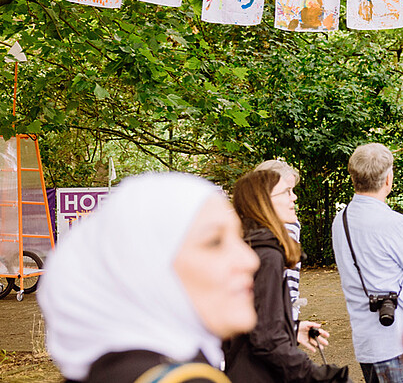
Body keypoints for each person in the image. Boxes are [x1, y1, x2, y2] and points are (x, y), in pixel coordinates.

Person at [38, 172, 259, 383]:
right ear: (145, 270)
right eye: (214, 242)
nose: (251, 261)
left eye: (239, 238)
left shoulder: (103, 372)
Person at [224, 170, 349, 383]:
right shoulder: (267, 254)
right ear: (264, 202)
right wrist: (320, 376)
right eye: (286, 192)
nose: (294, 197)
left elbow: (255, 320)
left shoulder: (251, 245)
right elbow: (267, 340)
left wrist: (291, 328)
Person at [332, 143, 403, 383]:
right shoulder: (393, 222)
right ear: (388, 179)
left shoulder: (341, 220)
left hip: (366, 338)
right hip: (397, 339)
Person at [255, 159, 306, 320]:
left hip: (285, 309)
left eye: (292, 190)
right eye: (287, 191)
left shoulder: (290, 224)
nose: (294, 197)